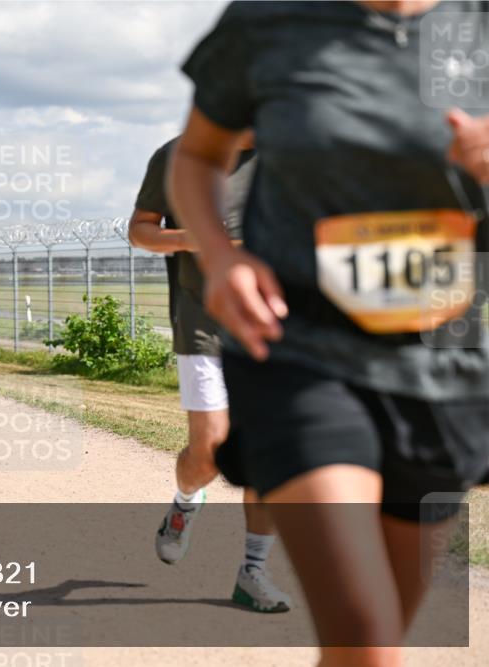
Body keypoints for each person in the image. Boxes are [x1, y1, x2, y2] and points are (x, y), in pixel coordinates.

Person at [170, 2, 489, 665]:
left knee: (367, 645)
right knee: (368, 641)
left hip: (439, 365)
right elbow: (198, 156)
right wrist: (221, 256)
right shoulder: (271, 19)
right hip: (298, 350)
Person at [130, 133, 290, 613]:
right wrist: (193, 238)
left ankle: (253, 573)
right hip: (205, 321)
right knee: (211, 450)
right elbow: (140, 230)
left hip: (277, 325)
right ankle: (185, 499)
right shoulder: (179, 155)